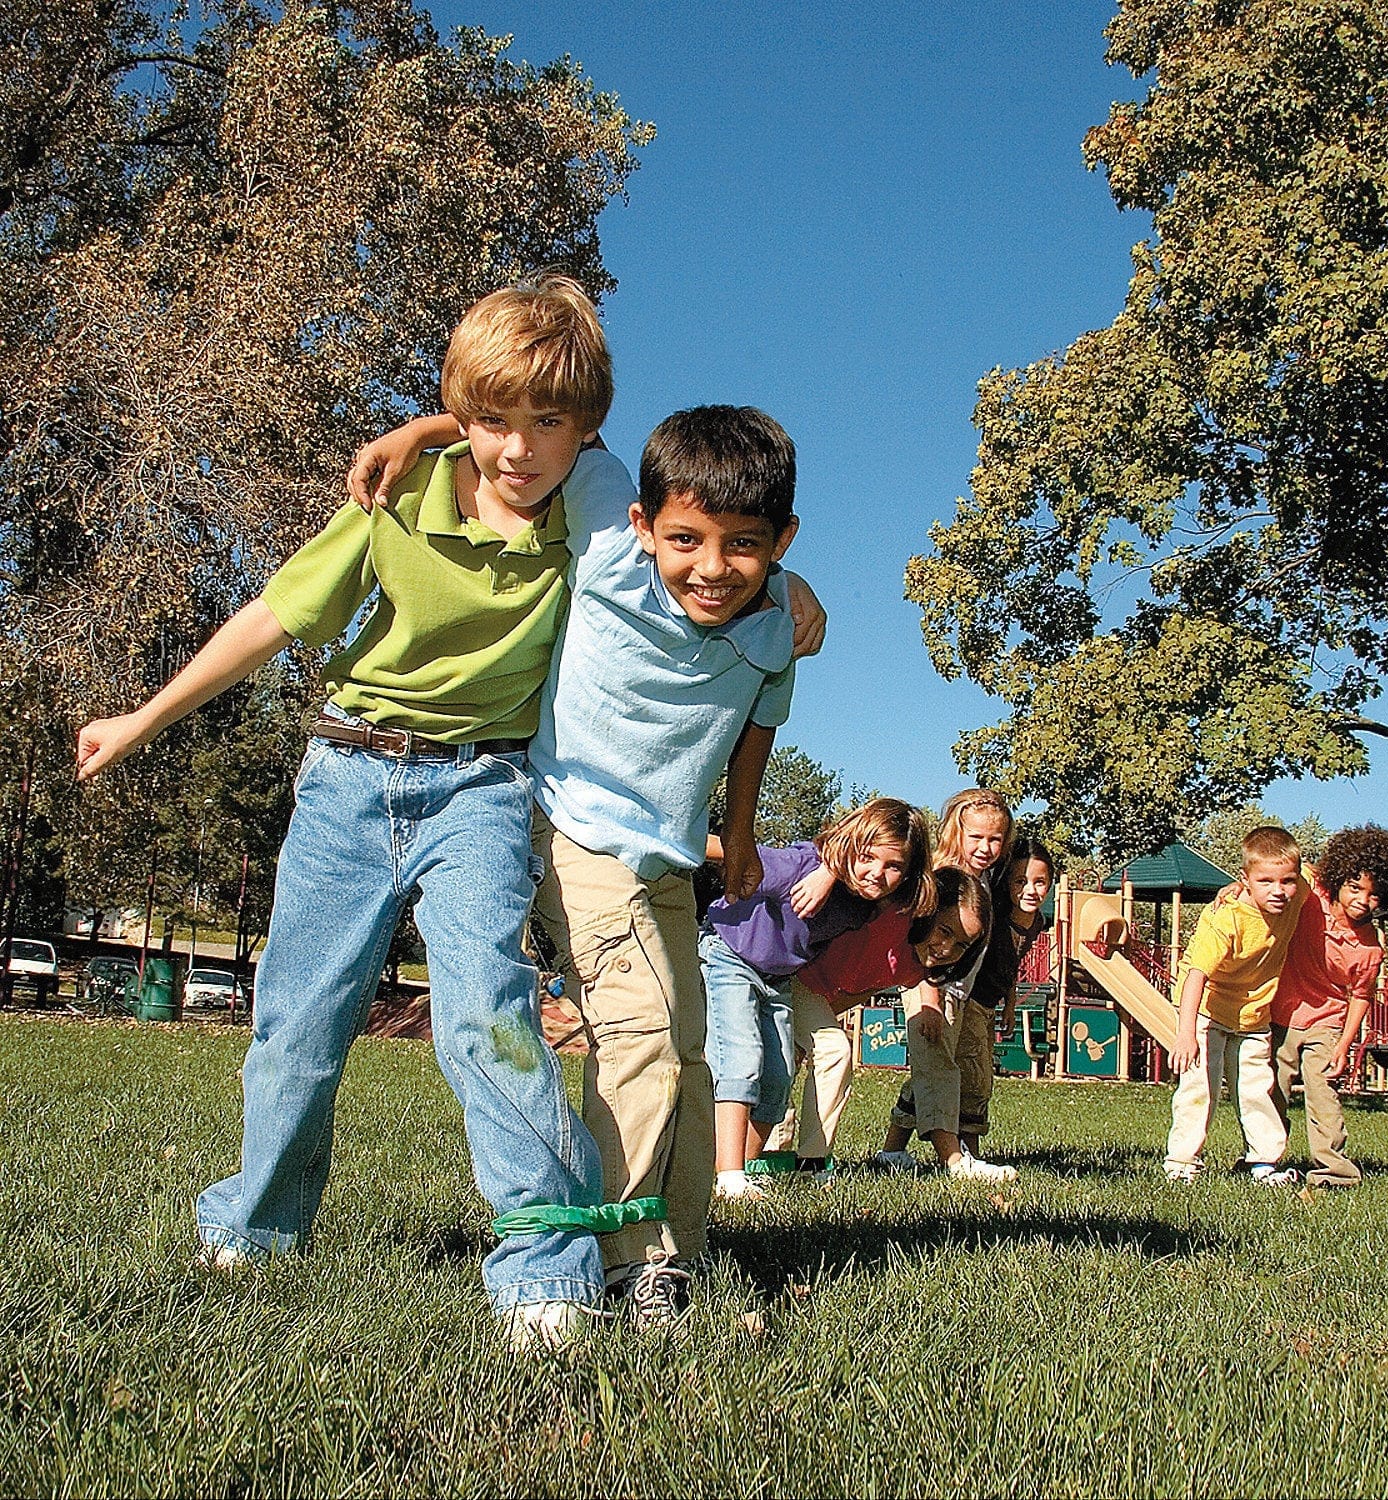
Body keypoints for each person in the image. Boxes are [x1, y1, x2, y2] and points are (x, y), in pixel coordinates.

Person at [76, 275, 615, 1351]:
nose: (519, 449)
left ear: (585, 428)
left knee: (489, 1020)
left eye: (548, 422)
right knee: (299, 1022)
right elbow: (276, 617)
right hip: (348, 776)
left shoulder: (593, 517)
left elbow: (692, 513)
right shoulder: (396, 500)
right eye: (494, 421)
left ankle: (546, 1270)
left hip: (483, 789)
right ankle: (258, 1229)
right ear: (463, 417)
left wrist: (787, 589)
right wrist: (141, 716)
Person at [346, 402, 823, 1330]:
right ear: (646, 524)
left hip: (673, 859)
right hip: (574, 832)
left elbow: (756, 729)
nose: (713, 567)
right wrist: (422, 434)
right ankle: (624, 1258)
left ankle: (674, 1252)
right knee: (641, 1034)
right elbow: (548, 429)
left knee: (688, 1048)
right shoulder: (608, 534)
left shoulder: (775, 630)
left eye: (746, 546)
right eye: (686, 539)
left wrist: (744, 834)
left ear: (782, 541)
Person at [701, 798, 937, 1200]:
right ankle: (729, 1175)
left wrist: (835, 872)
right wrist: (663, 836)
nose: (876, 873)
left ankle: (738, 1167)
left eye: (893, 866)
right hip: (728, 954)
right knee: (741, 1057)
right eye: (867, 857)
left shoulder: (868, 904)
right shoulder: (802, 869)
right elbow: (732, 852)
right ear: (850, 845)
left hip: (778, 978)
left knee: (776, 1077)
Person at [758, 866, 994, 1178]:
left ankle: (805, 1164)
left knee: (821, 1052)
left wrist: (814, 1022)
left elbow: (864, 988)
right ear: (927, 911)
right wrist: (828, 872)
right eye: (945, 931)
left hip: (810, 991)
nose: (947, 949)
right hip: (780, 971)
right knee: (826, 1052)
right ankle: (772, 1160)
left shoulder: (915, 967)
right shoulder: (890, 912)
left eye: (963, 944)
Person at [877, 837, 1054, 1180]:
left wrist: (1010, 999)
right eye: (1020, 881)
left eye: (1039, 882)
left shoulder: (1035, 923)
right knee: (963, 1075)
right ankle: (963, 1156)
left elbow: (1010, 963)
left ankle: (893, 1149)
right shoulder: (992, 909)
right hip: (964, 999)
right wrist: (932, 995)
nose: (1030, 890)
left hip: (985, 1002)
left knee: (936, 1074)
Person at [1164, 825, 1310, 1185]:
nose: (1278, 891)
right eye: (1265, 881)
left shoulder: (1298, 891)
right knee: (1200, 1088)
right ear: (1245, 880)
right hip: (1204, 1011)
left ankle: (1263, 1163)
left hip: (1253, 1014)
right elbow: (1197, 974)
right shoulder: (1225, 919)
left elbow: (1319, 876)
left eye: (1287, 881)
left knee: (1256, 1088)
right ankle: (1182, 1164)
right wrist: (1185, 1036)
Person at [1270, 825, 1388, 1189]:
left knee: (1323, 1094)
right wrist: (1234, 889)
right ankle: (1263, 1161)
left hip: (1327, 1023)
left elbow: (1360, 996)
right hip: (1283, 1013)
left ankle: (1334, 1172)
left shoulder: (1369, 948)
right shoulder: (1312, 894)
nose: (1363, 900)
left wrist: (1344, 1046)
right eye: (1355, 888)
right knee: (1273, 1091)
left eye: (1375, 895)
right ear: (1337, 880)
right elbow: (1272, 876)